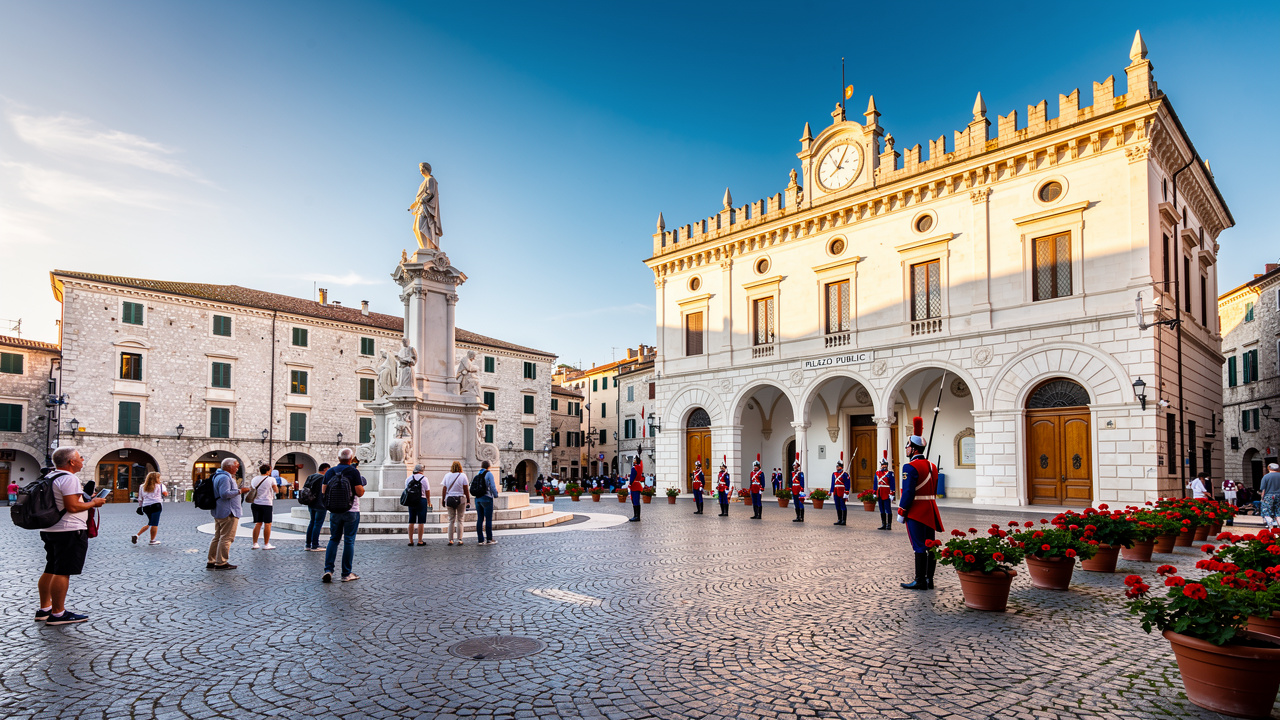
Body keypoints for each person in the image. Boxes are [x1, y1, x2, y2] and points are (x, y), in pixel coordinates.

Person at [34, 447, 106, 625]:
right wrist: (94, 503)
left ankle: (45, 608)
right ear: (71, 462)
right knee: (62, 571)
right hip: (69, 529)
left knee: (51, 568)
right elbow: (72, 506)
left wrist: (86, 499)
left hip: (50, 528)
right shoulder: (69, 478)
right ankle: (58, 613)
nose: (82, 460)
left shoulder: (50, 476)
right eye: (80, 457)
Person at [899, 417, 944, 590]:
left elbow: (908, 492)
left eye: (907, 446)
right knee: (930, 545)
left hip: (916, 511)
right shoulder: (932, 466)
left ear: (913, 448)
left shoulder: (909, 467)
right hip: (931, 510)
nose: (906, 449)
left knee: (918, 546)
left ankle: (919, 580)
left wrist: (902, 511)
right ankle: (929, 579)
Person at [321, 449, 366, 582]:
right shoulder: (353, 471)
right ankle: (346, 573)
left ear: (338, 458)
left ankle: (328, 570)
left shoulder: (330, 471)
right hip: (351, 510)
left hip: (335, 510)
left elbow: (324, 491)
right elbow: (359, 492)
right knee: (349, 540)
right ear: (351, 459)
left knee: (334, 539)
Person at [208, 457, 249, 571]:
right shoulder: (225, 478)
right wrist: (240, 491)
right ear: (229, 467)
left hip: (220, 510)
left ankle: (212, 560)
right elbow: (225, 494)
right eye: (236, 466)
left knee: (217, 537)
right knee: (227, 538)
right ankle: (221, 562)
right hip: (228, 511)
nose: (237, 469)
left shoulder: (217, 476)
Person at [132, 471, 168, 545]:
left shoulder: (142, 486)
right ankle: (152, 540)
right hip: (156, 504)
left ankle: (137, 535)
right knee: (154, 523)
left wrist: (140, 506)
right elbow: (165, 494)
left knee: (150, 522)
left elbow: (140, 498)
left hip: (146, 506)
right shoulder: (160, 485)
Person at [440, 461, 470, 545]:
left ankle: (450, 539)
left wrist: (443, 499)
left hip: (450, 498)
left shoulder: (447, 475)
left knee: (451, 520)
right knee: (460, 519)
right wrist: (468, 499)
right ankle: (459, 539)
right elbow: (466, 489)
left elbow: (444, 489)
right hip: (460, 498)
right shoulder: (463, 475)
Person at [248, 463, 276, 550]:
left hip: (256, 503)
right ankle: (266, 544)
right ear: (268, 471)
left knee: (258, 523)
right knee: (268, 524)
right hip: (267, 503)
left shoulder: (254, 479)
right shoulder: (271, 479)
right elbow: (276, 490)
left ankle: (255, 543)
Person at [303, 463, 330, 551]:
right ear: (325, 469)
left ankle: (308, 544)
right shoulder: (323, 478)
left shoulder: (310, 476)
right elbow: (325, 490)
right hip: (320, 503)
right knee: (318, 524)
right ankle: (315, 545)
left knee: (312, 522)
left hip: (311, 503)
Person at [473, 460, 499, 545]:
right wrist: (495, 495)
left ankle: (480, 539)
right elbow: (492, 486)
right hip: (487, 498)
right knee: (488, 519)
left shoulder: (478, 474)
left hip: (478, 499)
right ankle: (489, 539)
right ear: (489, 466)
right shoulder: (489, 474)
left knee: (480, 519)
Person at [405, 464, 431, 546]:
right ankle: (420, 540)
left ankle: (411, 541)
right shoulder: (424, 479)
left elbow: (406, 490)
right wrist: (428, 501)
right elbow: (427, 491)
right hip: (421, 500)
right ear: (422, 471)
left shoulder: (409, 478)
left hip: (411, 500)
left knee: (411, 520)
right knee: (421, 521)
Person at [875, 458, 896, 531]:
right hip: (880, 492)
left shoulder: (890, 473)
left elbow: (892, 483)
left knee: (888, 509)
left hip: (886, 493)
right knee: (881, 509)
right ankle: (883, 524)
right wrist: (874, 492)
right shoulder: (877, 473)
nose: (884, 466)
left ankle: (889, 524)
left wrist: (892, 492)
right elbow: (875, 483)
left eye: (885, 465)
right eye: (883, 465)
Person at [830, 457, 851, 526]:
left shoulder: (845, 474)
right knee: (837, 505)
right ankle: (839, 519)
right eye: (837, 466)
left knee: (842, 505)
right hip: (836, 491)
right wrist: (831, 491)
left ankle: (844, 520)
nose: (837, 467)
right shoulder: (834, 474)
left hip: (842, 491)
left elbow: (847, 483)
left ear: (841, 467)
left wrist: (846, 491)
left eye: (838, 466)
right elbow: (833, 483)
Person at [1260, 463, 1280, 529]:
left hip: (1268, 496)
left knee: (1266, 511)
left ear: (1269, 468)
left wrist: (1262, 498)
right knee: (1278, 512)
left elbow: (1263, 489)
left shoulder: (1266, 477)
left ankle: (1270, 525)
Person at [628, 457, 643, 522]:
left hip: (634, 485)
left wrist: (630, 483)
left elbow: (632, 478)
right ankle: (637, 516)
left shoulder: (634, 468)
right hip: (637, 485)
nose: (633, 461)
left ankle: (636, 516)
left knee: (634, 501)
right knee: (637, 501)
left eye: (634, 460)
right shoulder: (639, 468)